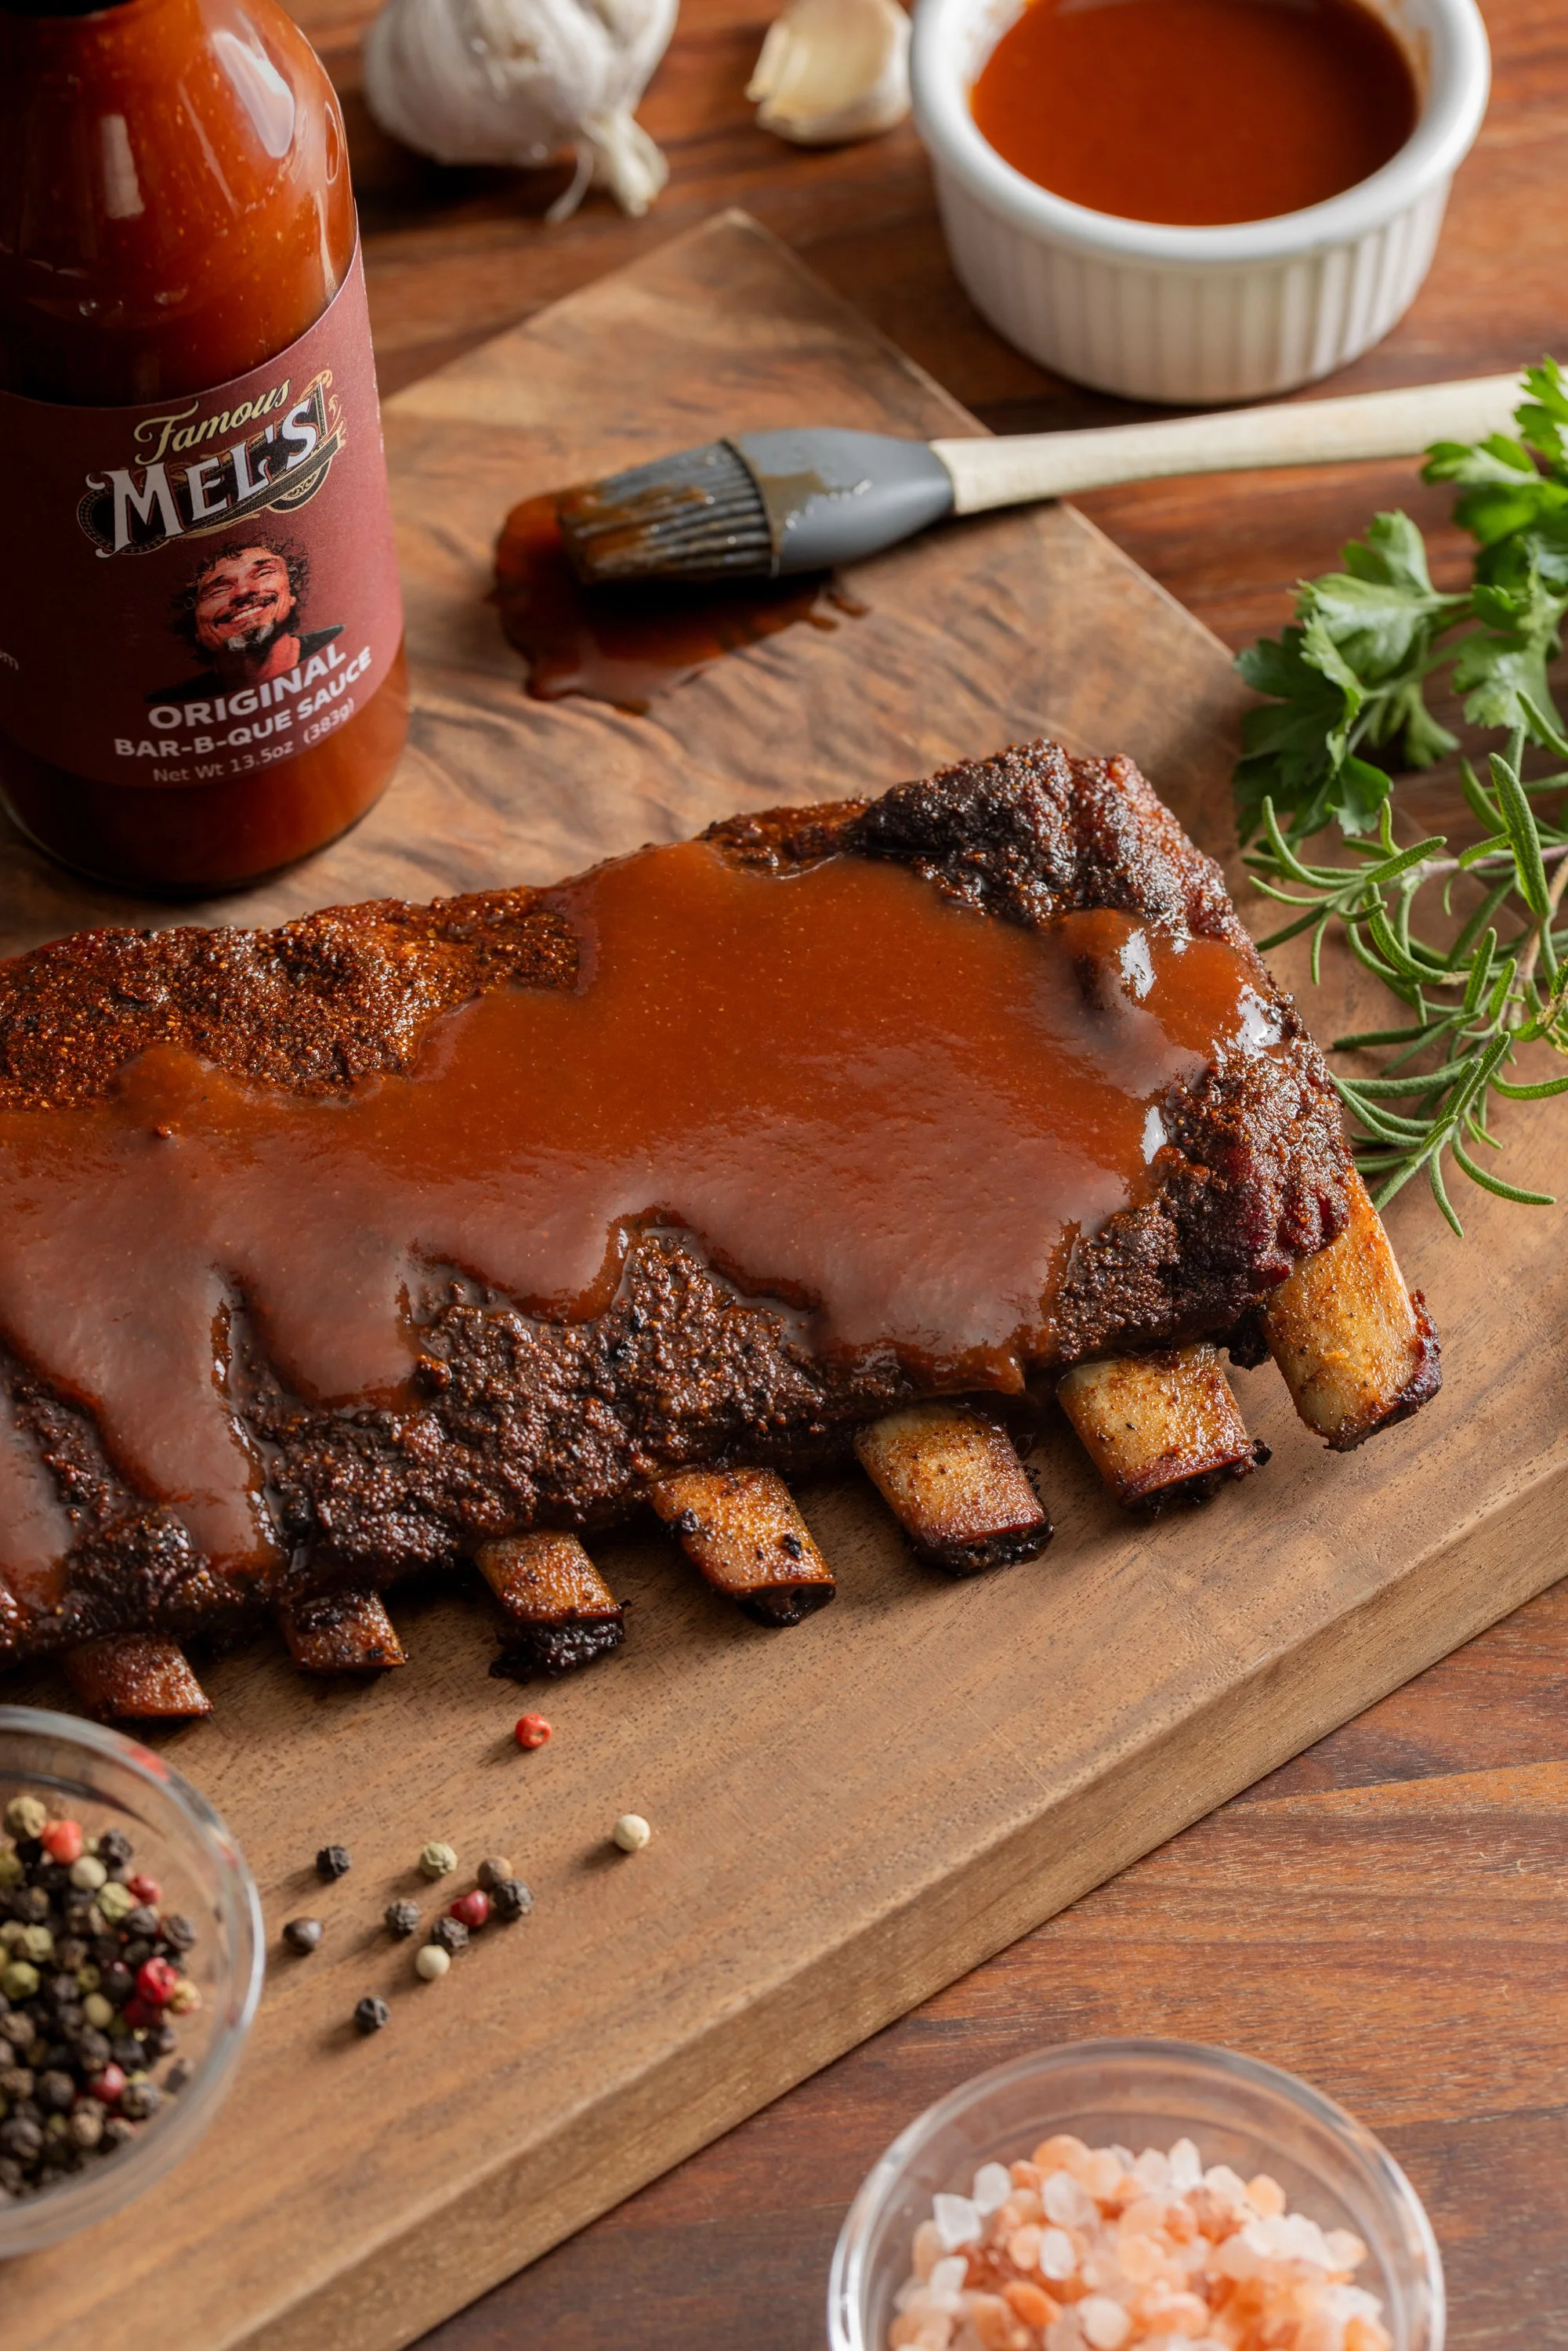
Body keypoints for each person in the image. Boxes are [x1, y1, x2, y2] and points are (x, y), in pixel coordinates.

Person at [149, 538, 342, 701]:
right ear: (194, 626)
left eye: (264, 573)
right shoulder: (171, 702)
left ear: (292, 592)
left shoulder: (343, 642)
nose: (243, 591)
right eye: (219, 590)